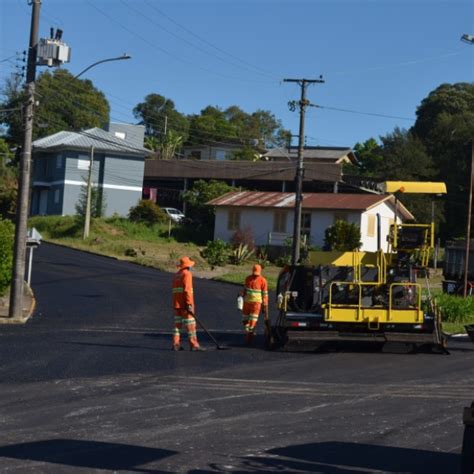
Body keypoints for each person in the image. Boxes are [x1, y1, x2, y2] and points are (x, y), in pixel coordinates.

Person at [172, 256, 204, 351]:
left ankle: (175, 344)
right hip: (185, 305)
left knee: (177, 325)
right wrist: (189, 304)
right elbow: (187, 291)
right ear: (188, 266)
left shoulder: (177, 275)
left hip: (177, 304)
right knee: (191, 325)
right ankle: (194, 345)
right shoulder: (187, 274)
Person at [241, 264, 268, 345]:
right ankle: (248, 332)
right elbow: (245, 289)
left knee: (253, 321)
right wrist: (241, 295)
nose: (255, 276)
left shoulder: (263, 281)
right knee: (245, 319)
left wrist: (265, 304)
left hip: (256, 304)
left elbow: (265, 294)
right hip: (247, 303)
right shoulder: (248, 279)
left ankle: (249, 336)